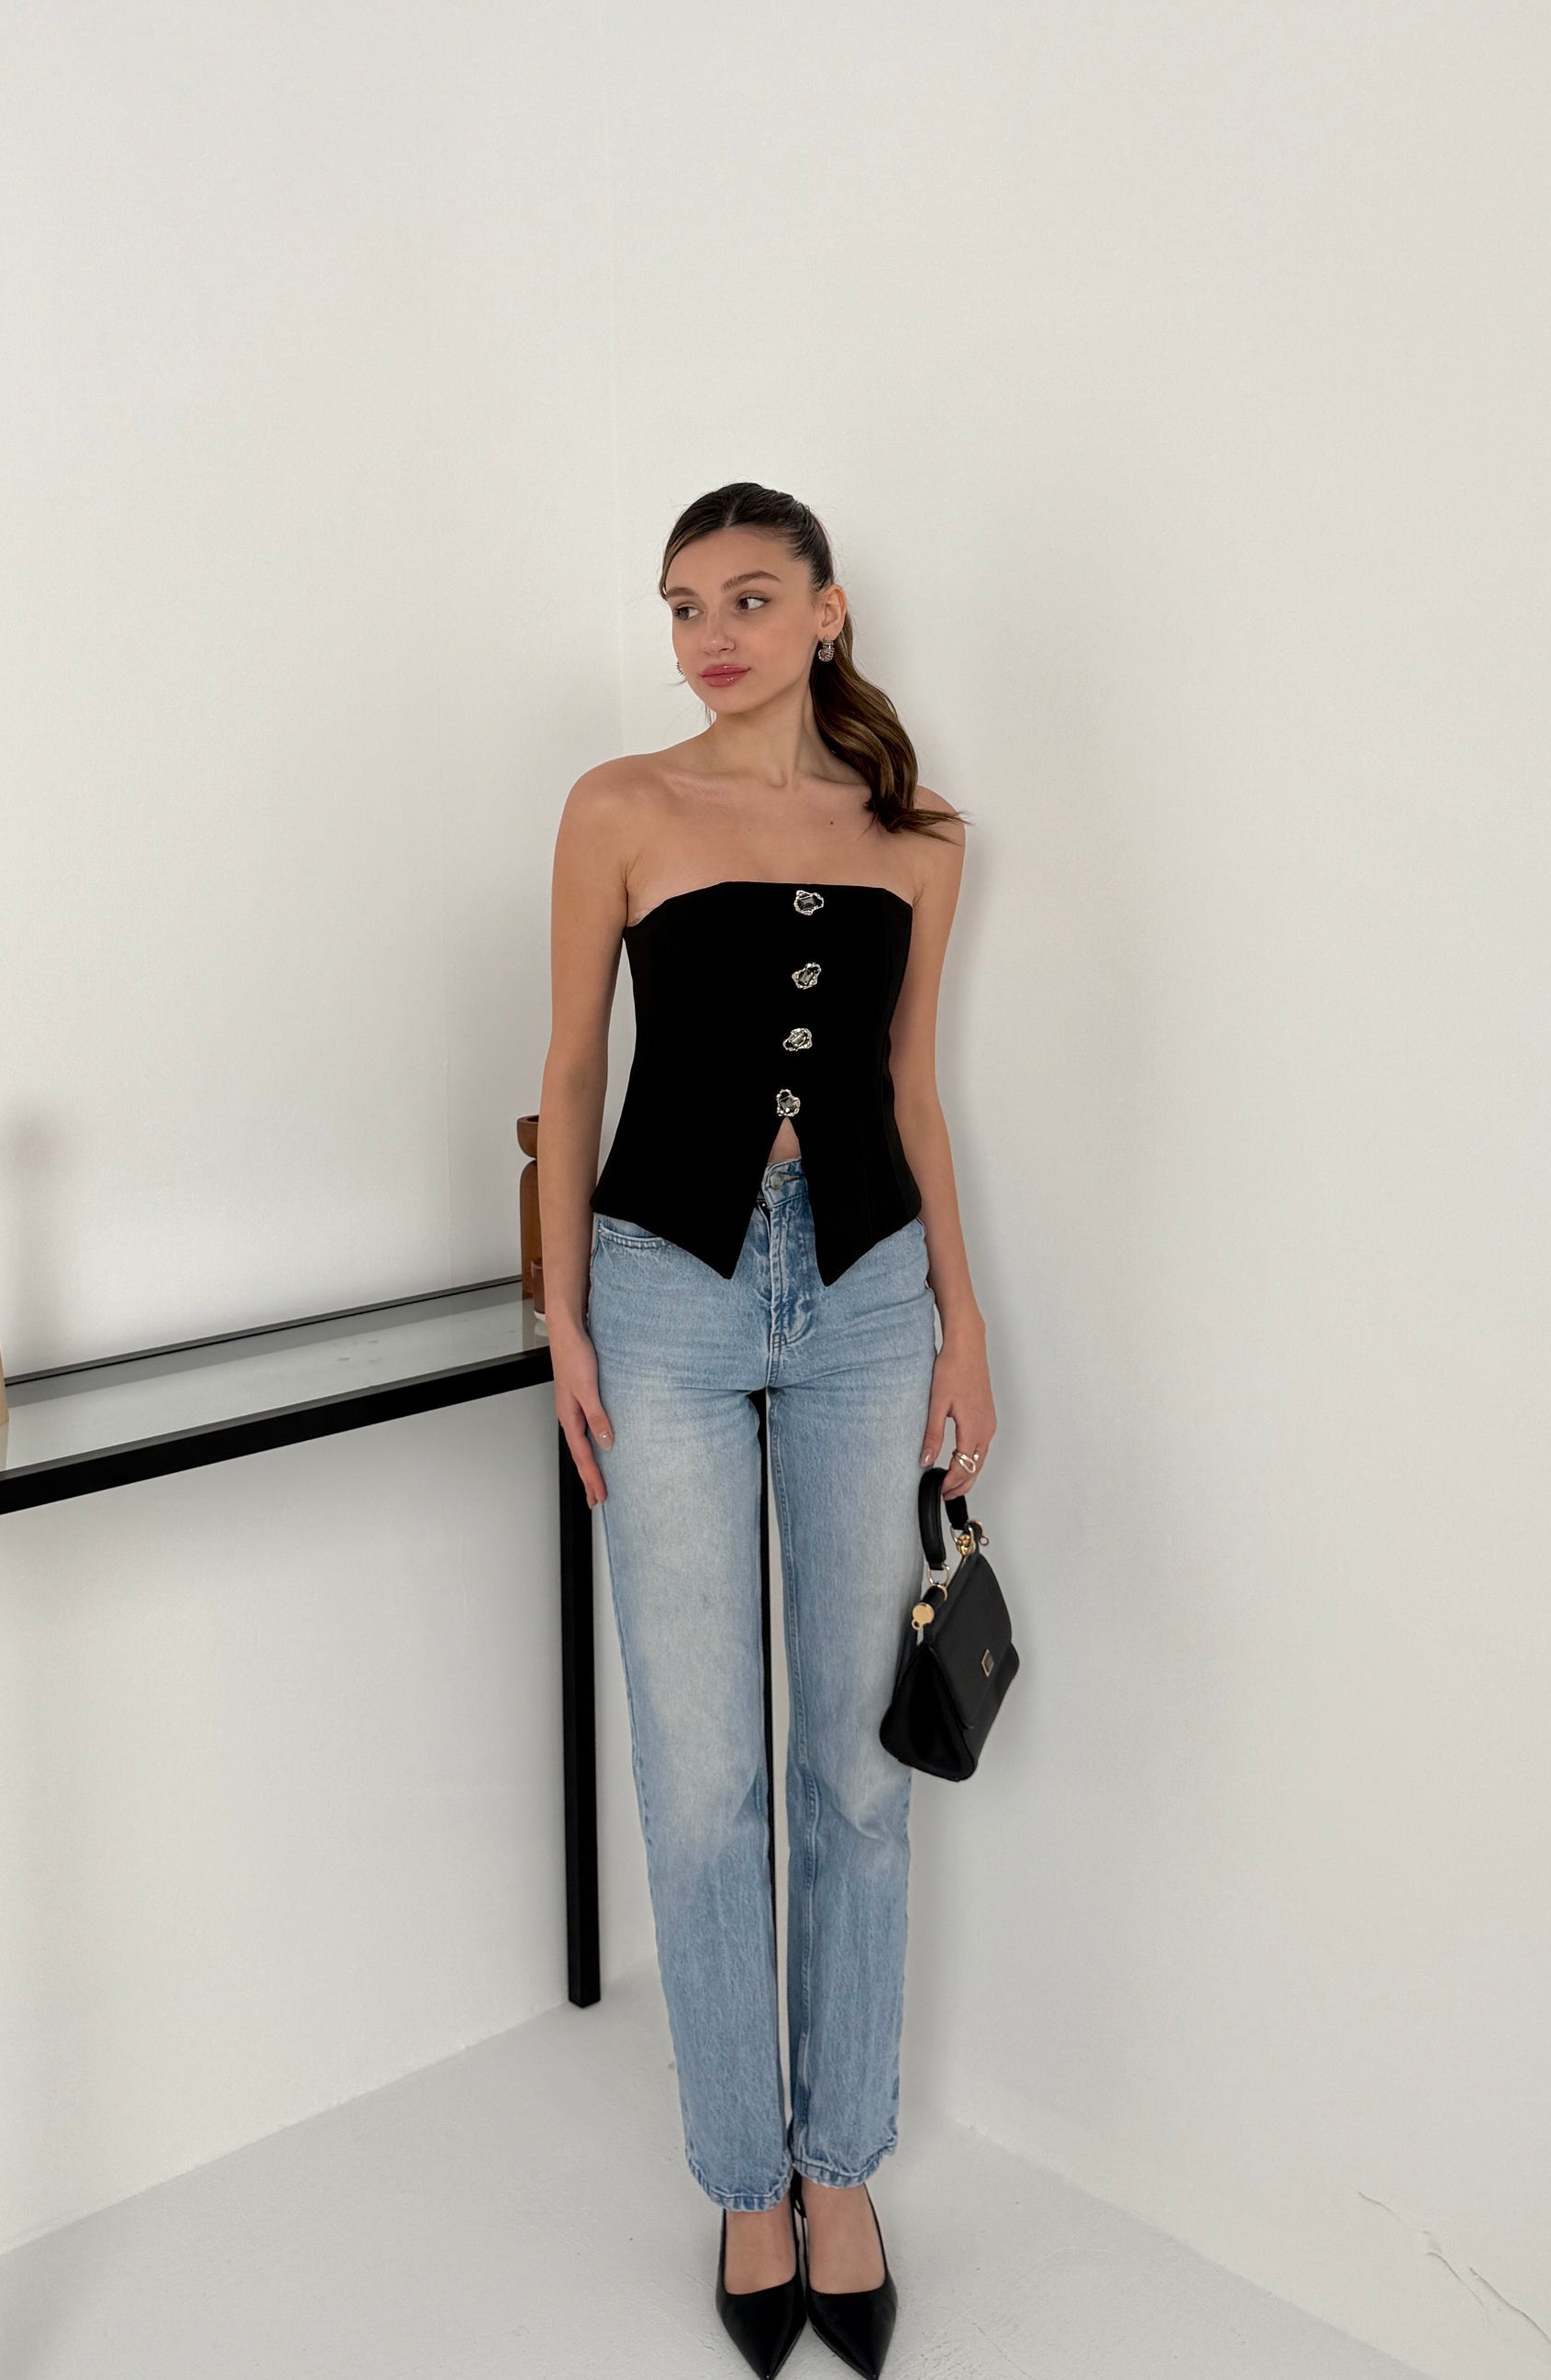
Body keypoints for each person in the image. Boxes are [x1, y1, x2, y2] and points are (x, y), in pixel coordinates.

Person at [538, 481, 996, 2379]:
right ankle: (744, 2171)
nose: (706, 635)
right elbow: (573, 1065)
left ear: (825, 609)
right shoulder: (617, 807)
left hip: (869, 1298)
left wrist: (966, 1322)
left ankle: (840, 2167)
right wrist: (560, 1315)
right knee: (701, 1766)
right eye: (679, 605)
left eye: (744, 597)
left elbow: (911, 1085)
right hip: (660, 1295)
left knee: (856, 1769)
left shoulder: (920, 836)